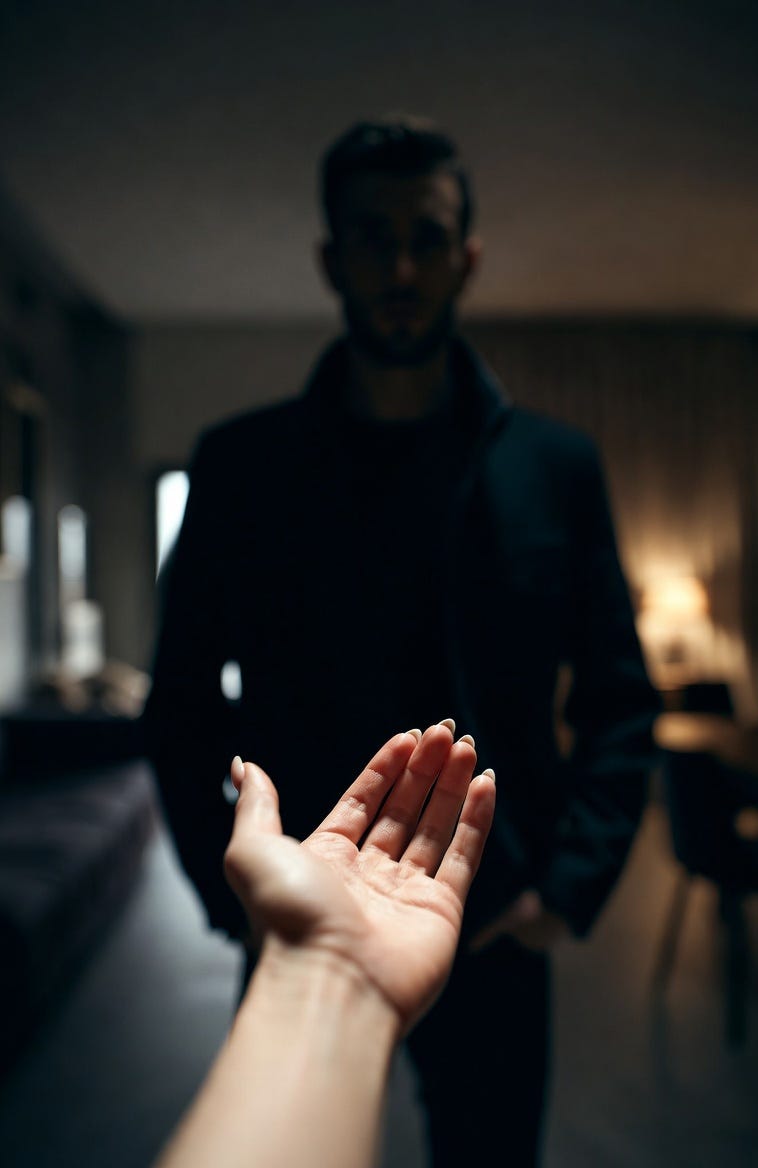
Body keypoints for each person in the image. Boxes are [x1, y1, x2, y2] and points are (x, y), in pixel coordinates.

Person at [144, 115, 661, 1166]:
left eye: (426, 237)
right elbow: (180, 703)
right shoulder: (241, 467)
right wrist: (227, 891)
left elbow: (619, 696)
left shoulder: (555, 466)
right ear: (331, 258)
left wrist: (563, 891)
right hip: (296, 907)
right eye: (372, 238)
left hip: (497, 917)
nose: (400, 266)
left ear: (466, 257)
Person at [154, 723, 497, 1168]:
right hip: (323, 870)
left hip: (496, 922)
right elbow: (179, 718)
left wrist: (566, 885)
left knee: (487, 1140)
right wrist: (314, 956)